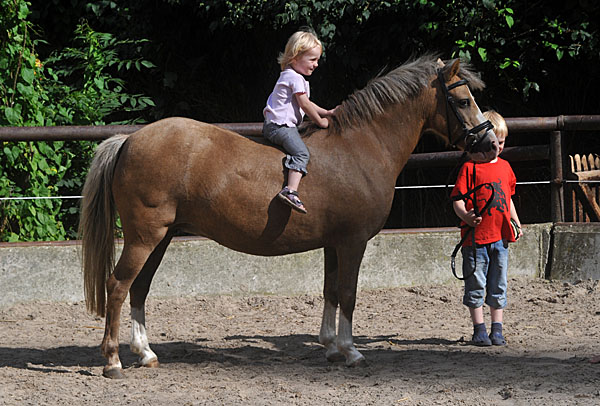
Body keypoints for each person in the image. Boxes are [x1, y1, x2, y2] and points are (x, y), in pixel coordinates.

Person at [451, 110, 523, 346]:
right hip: (475, 239)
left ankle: (497, 328)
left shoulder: (505, 167)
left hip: (500, 238)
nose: (498, 147)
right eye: (493, 143)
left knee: (498, 283)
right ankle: (479, 328)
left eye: (501, 142)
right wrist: (466, 217)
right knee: (475, 283)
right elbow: (457, 199)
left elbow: (508, 197)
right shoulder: (470, 168)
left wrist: (515, 221)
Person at [262, 29, 336, 214]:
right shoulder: (293, 77)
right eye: (312, 60)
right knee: (302, 153)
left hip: (279, 126)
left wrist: (326, 111)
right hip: (280, 127)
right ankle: (290, 191)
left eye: (317, 60)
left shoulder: (294, 77)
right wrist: (320, 121)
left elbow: (307, 103)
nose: (316, 64)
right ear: (295, 58)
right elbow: (304, 103)